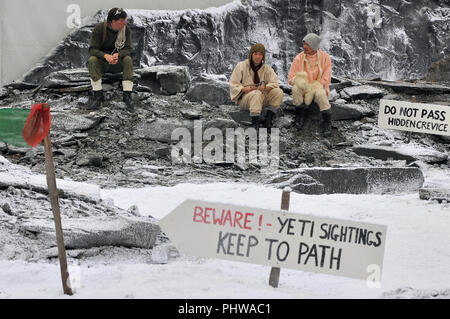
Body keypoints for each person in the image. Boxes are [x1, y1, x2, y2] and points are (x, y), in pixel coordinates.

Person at [87, 8, 134, 111]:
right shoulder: (99, 29)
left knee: (128, 60)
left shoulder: (126, 30)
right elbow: (92, 49)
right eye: (122, 20)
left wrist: (118, 55)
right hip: (103, 62)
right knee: (92, 60)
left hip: (117, 62)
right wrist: (105, 56)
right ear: (113, 21)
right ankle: (98, 96)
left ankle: (127, 96)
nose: (124, 23)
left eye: (124, 20)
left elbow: (128, 49)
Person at [229, 43, 284, 131]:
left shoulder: (266, 68)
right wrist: (243, 89)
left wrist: (265, 87)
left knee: (278, 92)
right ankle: (255, 124)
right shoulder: (241, 66)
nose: (258, 57)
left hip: (261, 97)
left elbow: (275, 83)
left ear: (263, 56)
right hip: (246, 99)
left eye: (260, 54)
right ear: (251, 55)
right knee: (256, 94)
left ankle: (268, 119)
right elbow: (233, 83)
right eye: (255, 54)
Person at [288, 33, 333, 137]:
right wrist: (299, 81)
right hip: (304, 87)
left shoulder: (325, 58)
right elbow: (291, 78)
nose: (304, 47)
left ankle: (327, 122)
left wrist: (317, 85)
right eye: (304, 44)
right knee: (295, 88)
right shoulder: (298, 58)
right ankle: (299, 115)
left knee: (321, 94)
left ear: (314, 46)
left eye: (307, 45)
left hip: (318, 86)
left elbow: (326, 77)